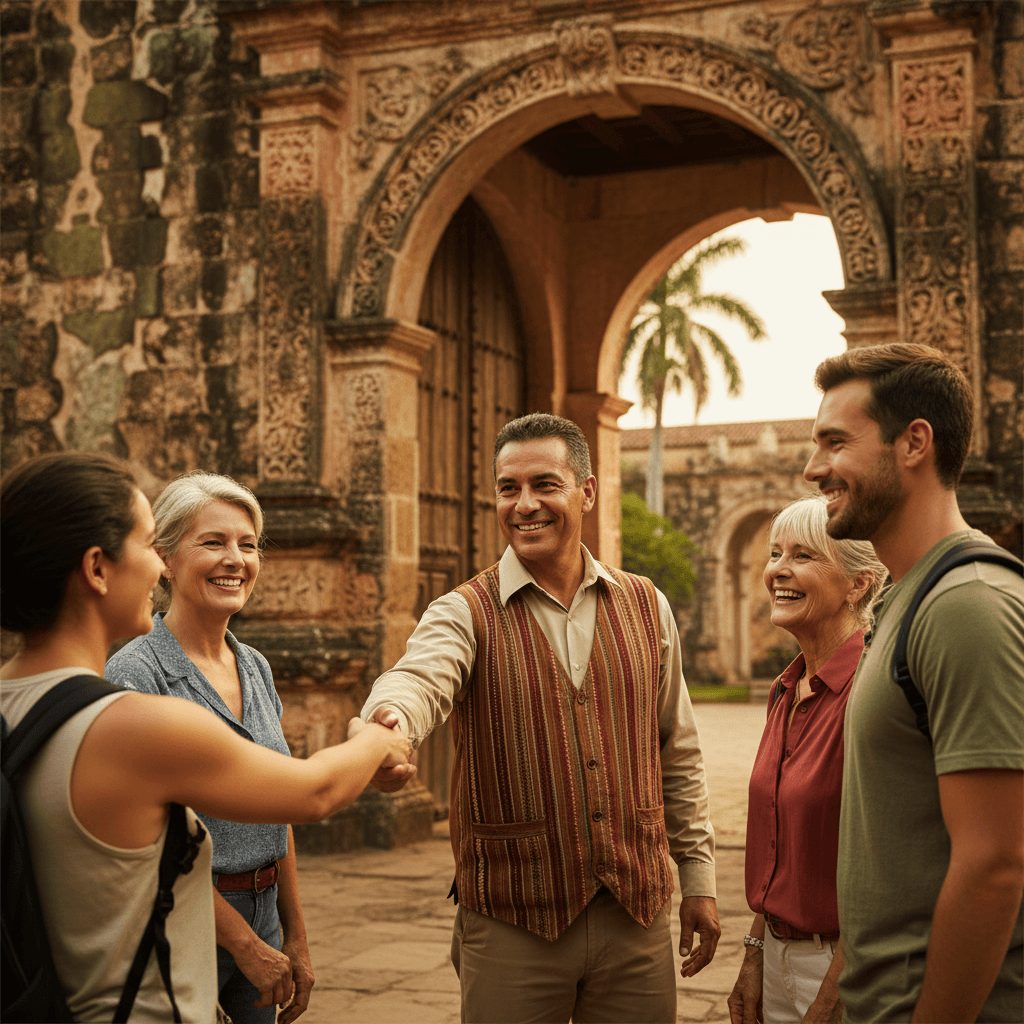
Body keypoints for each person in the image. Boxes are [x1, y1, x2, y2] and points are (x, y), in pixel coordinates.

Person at [0, 451, 411, 1024]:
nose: (155, 564)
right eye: (148, 544)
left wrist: (292, 930)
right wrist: (375, 738)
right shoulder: (132, 719)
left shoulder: (13, 701)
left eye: (249, 544)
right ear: (98, 569)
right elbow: (314, 792)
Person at [353, 412, 719, 1024]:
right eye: (508, 488)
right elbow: (418, 677)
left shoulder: (645, 604)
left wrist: (699, 878)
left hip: (636, 914)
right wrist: (388, 724)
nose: (525, 505)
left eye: (545, 485)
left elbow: (675, 749)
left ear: (588, 492)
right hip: (513, 922)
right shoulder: (465, 610)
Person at [803, 343, 1024, 1023]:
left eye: (834, 442)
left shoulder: (968, 607)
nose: (813, 468)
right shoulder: (909, 599)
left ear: (914, 443)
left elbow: (995, 864)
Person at [105, 474, 307, 1024]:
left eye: (248, 544)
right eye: (213, 542)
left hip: (264, 912)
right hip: (182, 917)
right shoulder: (136, 673)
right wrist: (243, 945)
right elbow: (151, 843)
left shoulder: (254, 665)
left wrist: (296, 935)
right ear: (165, 559)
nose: (235, 559)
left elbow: (280, 803)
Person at [728, 495, 885, 1024]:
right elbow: (781, 851)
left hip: (846, 967)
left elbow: (888, 868)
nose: (778, 571)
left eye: (804, 555)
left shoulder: (872, 693)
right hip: (775, 955)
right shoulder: (786, 688)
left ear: (858, 583)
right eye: (775, 553)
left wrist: (832, 992)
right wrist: (755, 951)